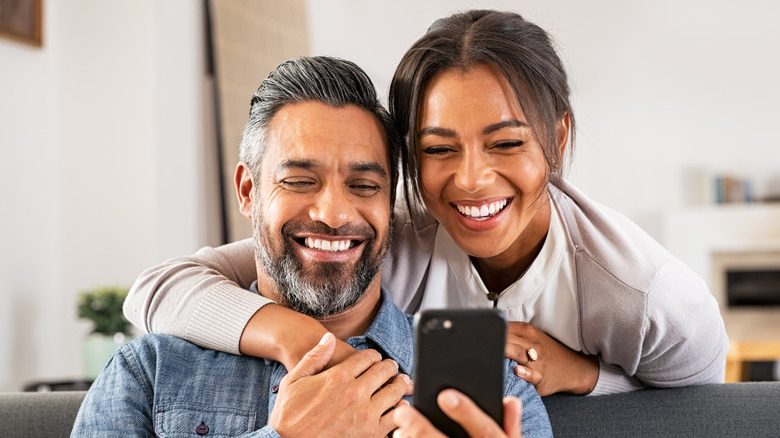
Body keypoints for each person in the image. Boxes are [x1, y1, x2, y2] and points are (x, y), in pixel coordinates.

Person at [124, 10, 728, 397]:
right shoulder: (387, 238)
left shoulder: (640, 292)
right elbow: (159, 289)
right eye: (439, 148)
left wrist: (585, 377)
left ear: (558, 137)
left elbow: (705, 404)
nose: (470, 180)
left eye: (507, 143)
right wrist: (295, 336)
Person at [73, 55, 552, 437]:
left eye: (365, 186)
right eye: (300, 181)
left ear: (392, 205)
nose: (334, 213)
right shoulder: (151, 371)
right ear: (247, 191)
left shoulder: (496, 386)